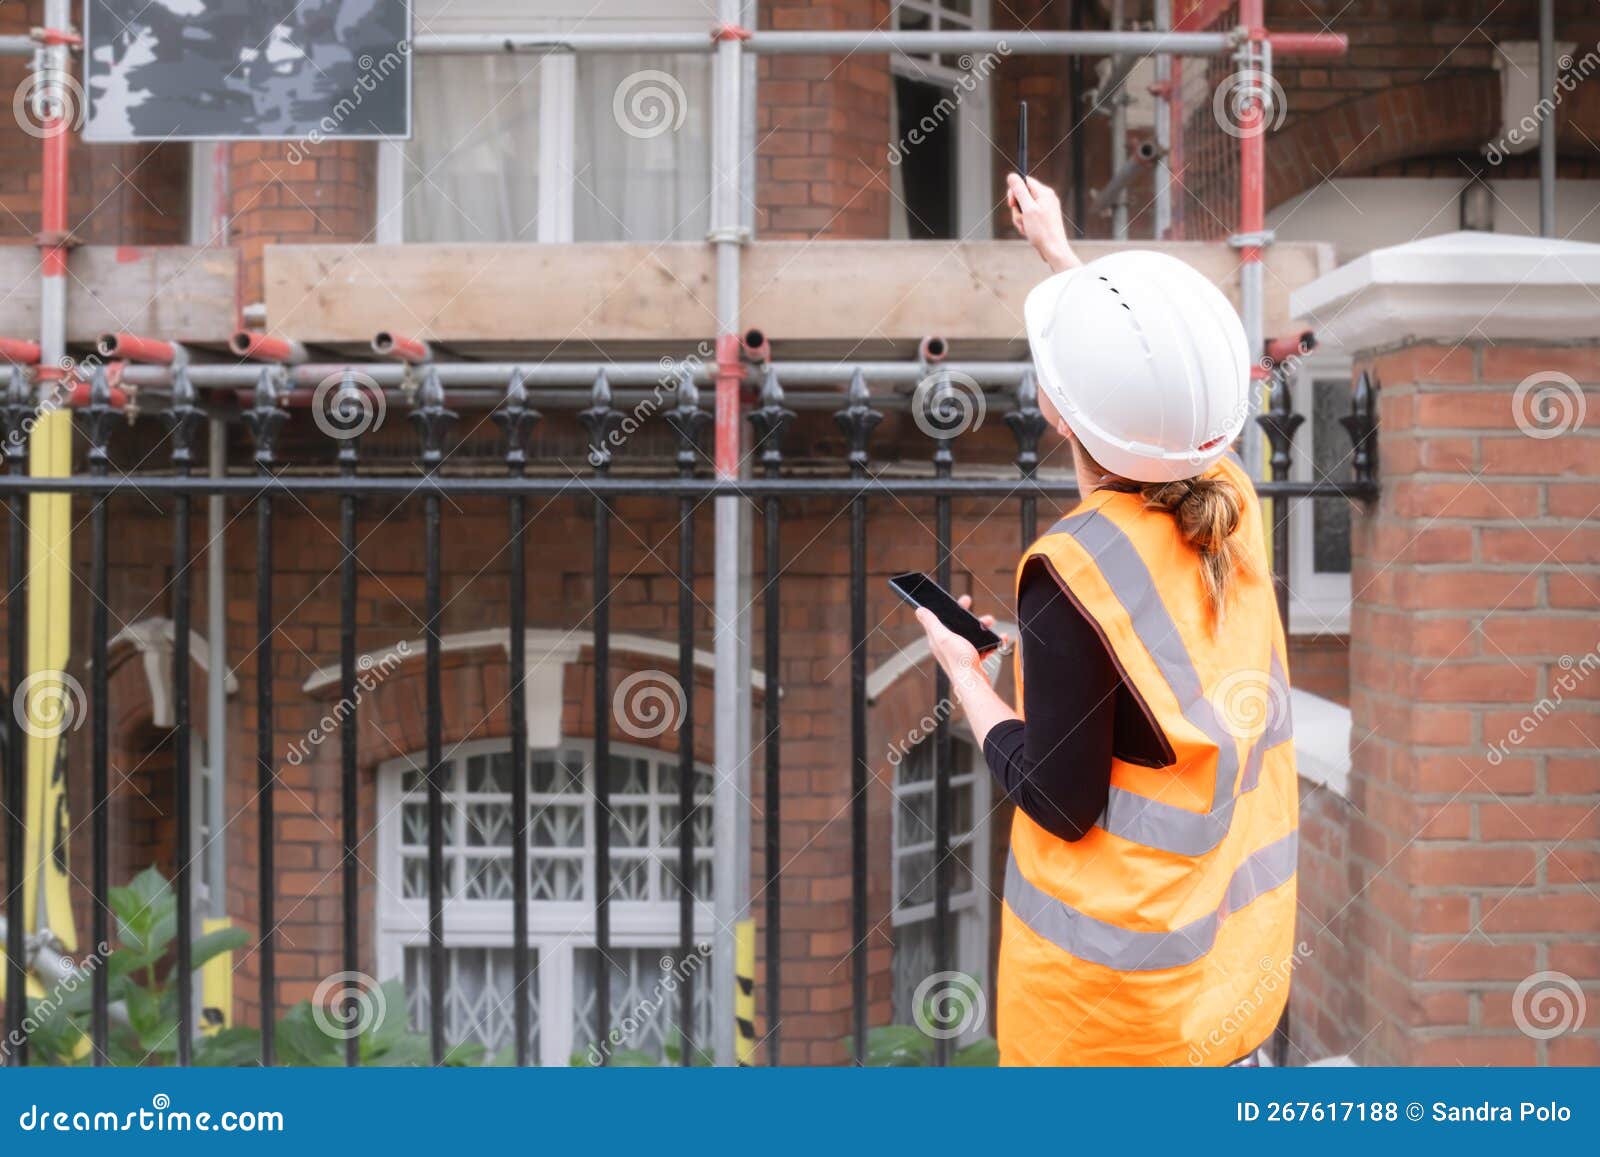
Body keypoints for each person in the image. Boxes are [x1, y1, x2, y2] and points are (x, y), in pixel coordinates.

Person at [914, 174, 1299, 1067]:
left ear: (1055, 407)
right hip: (1228, 993)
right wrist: (1062, 255)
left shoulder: (1072, 572)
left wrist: (967, 678)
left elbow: (1059, 798)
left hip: (1116, 1031)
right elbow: (1163, 401)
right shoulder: (1230, 502)